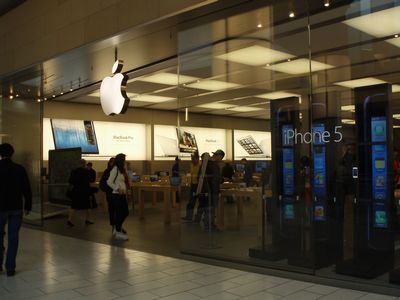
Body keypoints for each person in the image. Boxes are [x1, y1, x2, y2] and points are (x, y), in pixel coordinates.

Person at [0, 143, 32, 276]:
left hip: (0, 208)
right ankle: (10, 268)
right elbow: (27, 189)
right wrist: (28, 205)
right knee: (14, 237)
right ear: (12, 153)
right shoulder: (19, 169)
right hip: (16, 207)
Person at [200, 149, 225, 231]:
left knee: (207, 208)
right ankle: (209, 226)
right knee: (211, 208)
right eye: (221, 158)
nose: (221, 160)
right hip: (211, 190)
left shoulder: (206, 163)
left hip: (205, 189)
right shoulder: (213, 165)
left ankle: (208, 224)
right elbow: (215, 179)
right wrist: (216, 190)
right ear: (219, 156)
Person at [107, 153, 130, 240]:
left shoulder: (121, 170)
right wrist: (117, 188)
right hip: (117, 195)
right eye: (124, 160)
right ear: (121, 160)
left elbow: (123, 181)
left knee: (125, 212)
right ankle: (117, 231)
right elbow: (109, 182)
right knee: (121, 212)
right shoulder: (115, 169)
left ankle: (117, 229)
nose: (125, 161)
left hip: (122, 195)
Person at [67, 159, 94, 227]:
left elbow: (70, 181)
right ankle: (88, 219)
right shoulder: (87, 172)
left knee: (73, 206)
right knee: (87, 206)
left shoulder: (74, 171)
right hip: (84, 191)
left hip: (76, 191)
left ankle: (69, 219)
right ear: (84, 164)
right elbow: (90, 181)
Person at [182, 152, 200, 221]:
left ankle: (198, 217)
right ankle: (189, 216)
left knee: (201, 202)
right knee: (191, 201)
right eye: (191, 158)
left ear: (197, 158)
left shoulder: (200, 165)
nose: (191, 160)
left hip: (199, 185)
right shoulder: (192, 164)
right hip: (193, 185)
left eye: (193, 158)